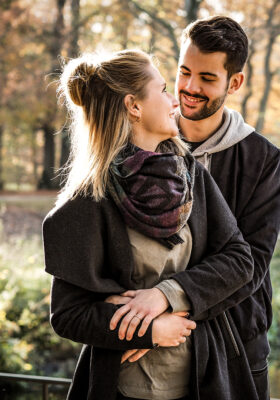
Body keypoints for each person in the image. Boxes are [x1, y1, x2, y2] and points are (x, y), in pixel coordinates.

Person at [43, 49, 257, 400]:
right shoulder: (85, 204)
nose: (175, 100)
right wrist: (150, 330)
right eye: (162, 90)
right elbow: (68, 316)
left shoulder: (191, 177)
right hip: (121, 389)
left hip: (204, 382)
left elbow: (240, 261)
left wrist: (167, 296)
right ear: (134, 106)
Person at [174, 16, 280, 399]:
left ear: (234, 82)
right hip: (153, 344)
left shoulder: (264, 160)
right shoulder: (143, 145)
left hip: (236, 344)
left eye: (207, 78)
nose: (189, 88)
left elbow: (252, 264)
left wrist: (171, 303)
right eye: (184, 72)